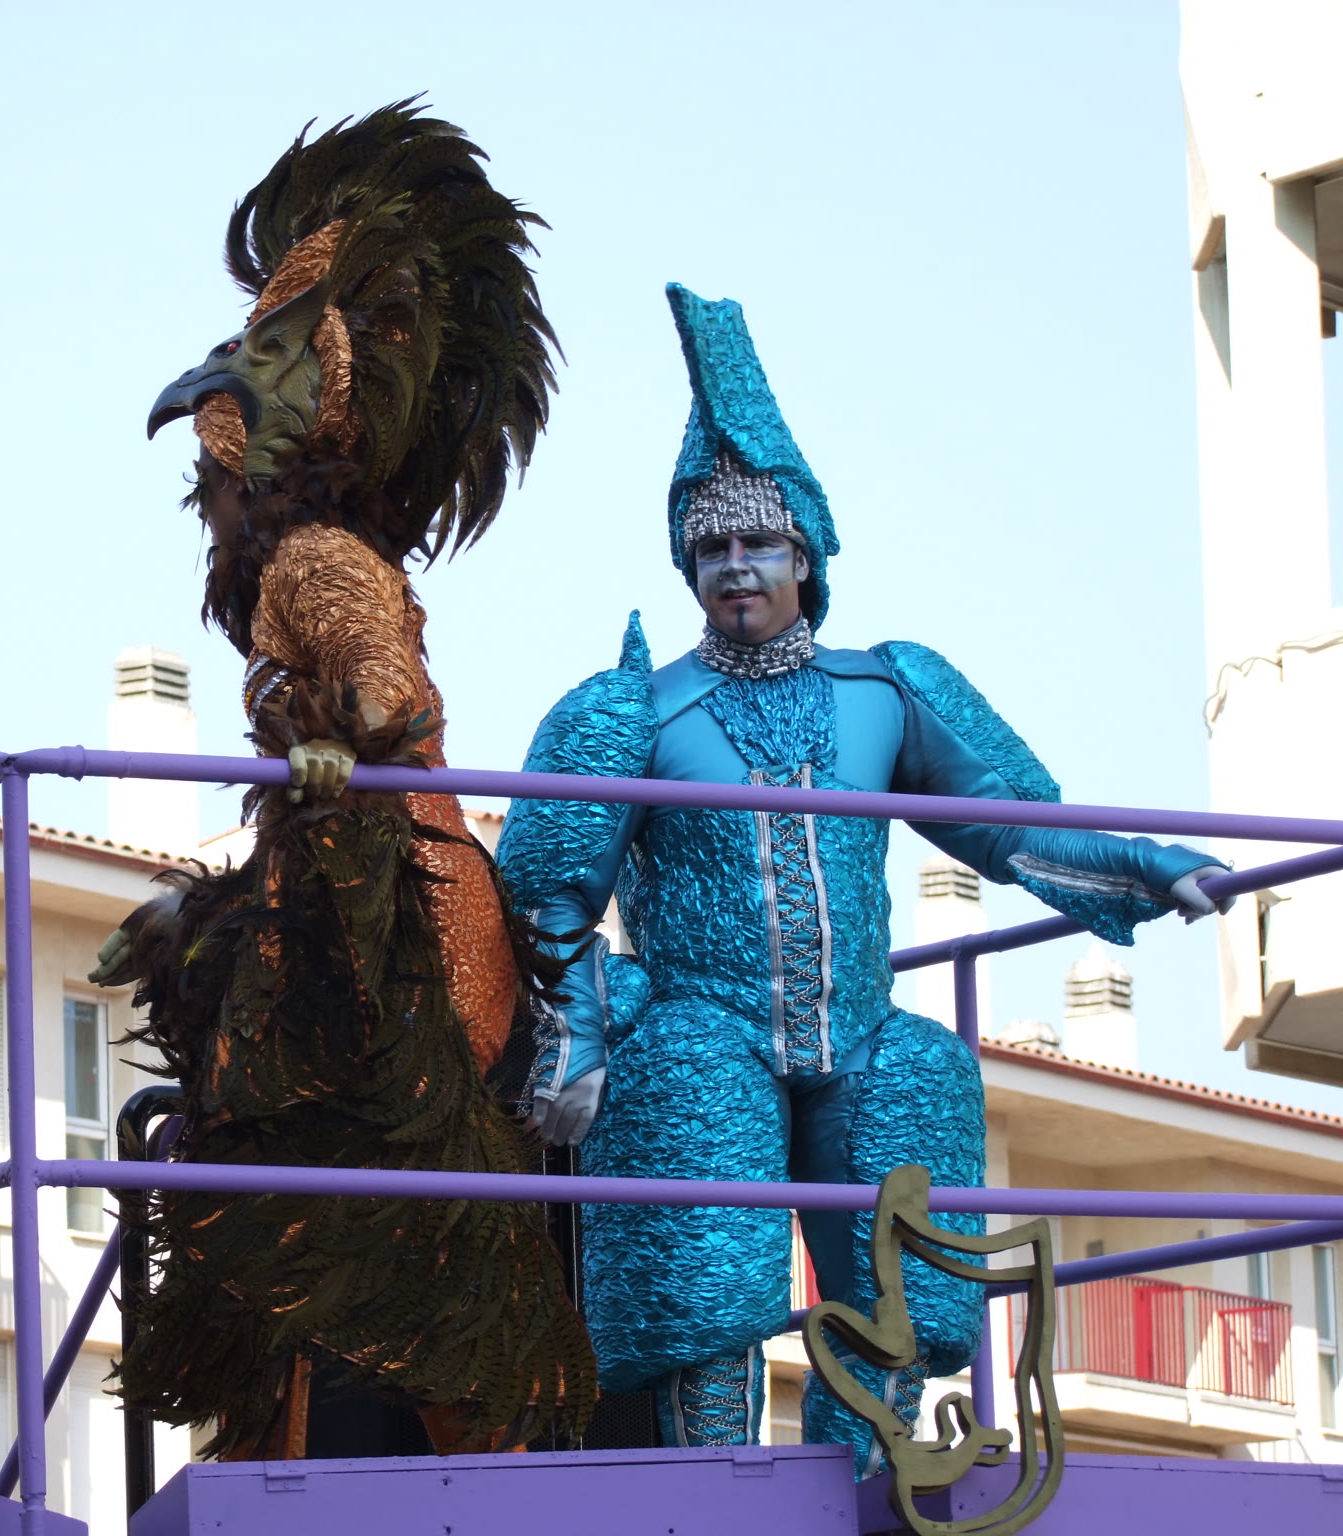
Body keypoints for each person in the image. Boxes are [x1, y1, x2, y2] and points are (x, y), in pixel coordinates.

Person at [496, 285, 1229, 1475]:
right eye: (711, 548)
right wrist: (574, 1035)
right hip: (704, 1029)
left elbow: (1011, 828)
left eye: (757, 545)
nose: (735, 567)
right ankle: (711, 1486)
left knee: (916, 1140)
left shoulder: (884, 689)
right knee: (700, 1244)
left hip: (859, 1034)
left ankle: (865, 1474)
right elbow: (549, 888)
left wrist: (1150, 865)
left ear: (805, 556)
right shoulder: (634, 712)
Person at [93, 100, 593, 1460]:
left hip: (403, 915)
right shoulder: (297, 559)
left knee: (362, 1208)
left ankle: (399, 1458)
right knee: (326, 1211)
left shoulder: (316, 560)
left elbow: (390, 699)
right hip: (357, 887)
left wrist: (327, 745)